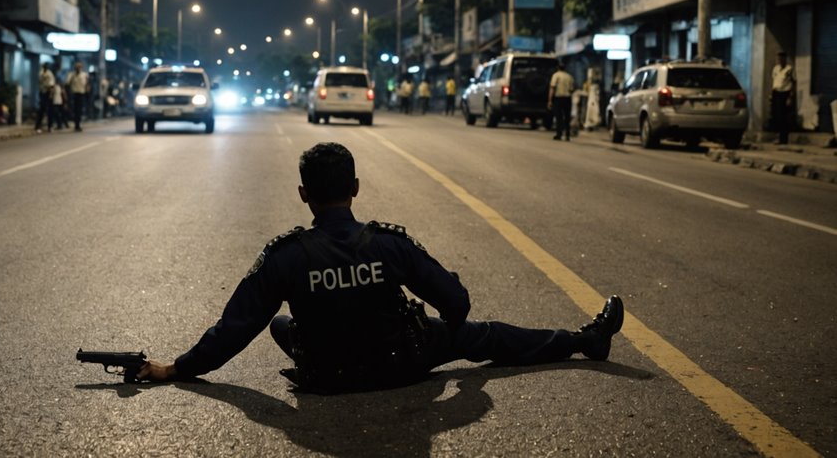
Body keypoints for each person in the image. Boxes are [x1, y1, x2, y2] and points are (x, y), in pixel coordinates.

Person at [137, 142, 624, 393]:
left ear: (304, 194)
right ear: (356, 187)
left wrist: (174, 368)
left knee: (280, 324)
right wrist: (443, 332)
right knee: (484, 334)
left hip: (327, 375)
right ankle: (583, 340)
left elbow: (234, 329)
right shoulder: (389, 244)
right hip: (403, 362)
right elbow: (457, 303)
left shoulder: (285, 255)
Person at [770, 50, 795, 145]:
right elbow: (774, 81)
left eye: (781, 58)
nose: (779, 60)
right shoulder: (776, 69)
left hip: (785, 94)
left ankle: (784, 139)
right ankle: (778, 137)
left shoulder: (789, 69)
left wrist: (790, 97)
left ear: (785, 59)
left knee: (784, 117)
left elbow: (793, 82)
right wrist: (772, 94)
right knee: (777, 116)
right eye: (778, 58)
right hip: (776, 93)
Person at [548, 62, 575, 141]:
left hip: (558, 98)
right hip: (567, 99)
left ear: (557, 68)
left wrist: (549, 100)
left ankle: (559, 134)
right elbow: (571, 89)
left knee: (559, 117)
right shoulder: (569, 76)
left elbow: (552, 88)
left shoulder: (556, 75)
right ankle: (567, 135)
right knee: (567, 117)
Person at [65, 61, 89, 132]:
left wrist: (87, 93)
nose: (78, 68)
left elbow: (87, 85)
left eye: (79, 67)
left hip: (81, 94)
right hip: (74, 94)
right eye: (77, 67)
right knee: (74, 110)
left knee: (79, 110)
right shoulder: (71, 75)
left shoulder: (84, 75)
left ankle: (78, 124)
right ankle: (75, 124)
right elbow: (67, 84)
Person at [35, 63, 56, 133]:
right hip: (42, 92)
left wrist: (51, 94)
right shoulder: (41, 73)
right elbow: (39, 82)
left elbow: (51, 85)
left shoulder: (49, 74)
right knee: (41, 110)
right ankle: (38, 126)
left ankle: (50, 126)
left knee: (50, 111)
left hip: (48, 93)